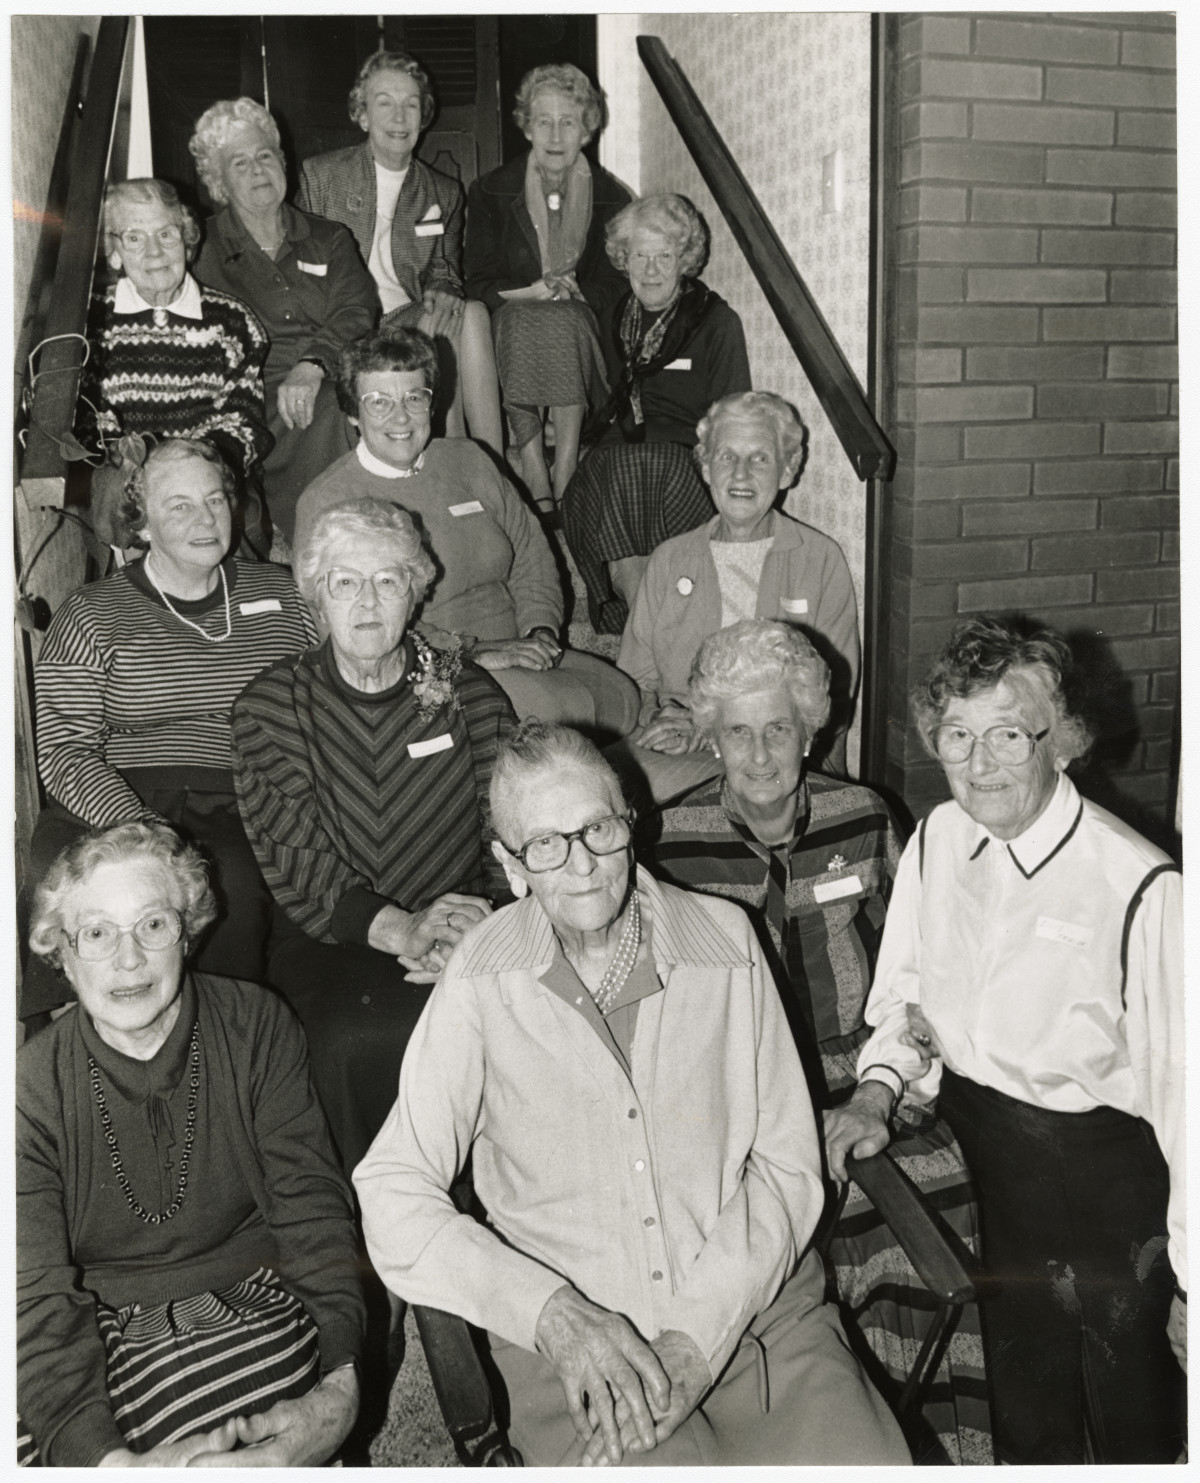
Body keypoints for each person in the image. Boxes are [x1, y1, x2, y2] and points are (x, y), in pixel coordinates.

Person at [354, 720, 909, 1467]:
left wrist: (692, 1340)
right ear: (511, 866)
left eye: (598, 829)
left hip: (753, 1317)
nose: (581, 864)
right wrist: (551, 1315)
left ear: (632, 824)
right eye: (546, 844)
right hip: (580, 1360)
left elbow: (785, 1163)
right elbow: (392, 1187)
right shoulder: (479, 980)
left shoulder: (726, 943)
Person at [825, 615, 1186, 1465]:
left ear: (1061, 742)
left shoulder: (1140, 887)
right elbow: (907, 1000)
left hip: (1103, 1189)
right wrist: (878, 1088)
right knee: (1018, 1412)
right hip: (978, 1155)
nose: (978, 764)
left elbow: (1190, 1107)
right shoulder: (941, 839)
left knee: (1125, 1420)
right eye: (958, 734)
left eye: (1008, 735)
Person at [646, 620, 989, 1463]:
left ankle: (940, 1446)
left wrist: (879, 1093)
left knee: (933, 1211)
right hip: (733, 1090)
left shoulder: (864, 817)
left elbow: (919, 983)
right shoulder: (669, 842)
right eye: (737, 731)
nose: (760, 755)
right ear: (711, 736)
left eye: (778, 729)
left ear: (811, 728)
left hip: (862, 1076)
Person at [17, 821, 364, 1467]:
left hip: (252, 1289)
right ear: (60, 952)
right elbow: (32, 1296)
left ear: (189, 928)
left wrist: (340, 1378)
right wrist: (109, 1464)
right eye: (96, 933)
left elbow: (312, 1207)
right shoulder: (29, 1089)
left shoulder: (255, 1023)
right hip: (98, 1317)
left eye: (152, 924)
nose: (129, 959)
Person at [231, 497, 515, 1171]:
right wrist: (404, 930)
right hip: (338, 937)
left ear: (415, 592)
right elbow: (301, 865)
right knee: (359, 1036)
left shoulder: (466, 692)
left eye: (387, 580)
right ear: (314, 597)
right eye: (344, 582)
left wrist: (488, 926)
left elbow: (509, 823)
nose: (366, 602)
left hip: (469, 924)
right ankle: (372, 1241)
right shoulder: (270, 708)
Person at [25, 437, 317, 1022]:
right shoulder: (93, 612)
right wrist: (143, 829)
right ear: (143, 522)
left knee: (234, 878)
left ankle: (223, 1047)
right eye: (179, 505)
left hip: (249, 793)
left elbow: (359, 662)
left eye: (215, 501)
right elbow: (62, 748)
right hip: (121, 791)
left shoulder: (284, 594)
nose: (205, 519)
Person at [294, 327, 639, 739]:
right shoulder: (329, 500)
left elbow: (531, 552)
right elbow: (352, 626)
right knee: (554, 716)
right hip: (428, 672)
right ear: (352, 413)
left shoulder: (469, 459)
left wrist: (539, 629)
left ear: (432, 402)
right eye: (379, 402)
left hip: (522, 648)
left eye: (414, 397)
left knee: (622, 697)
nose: (400, 416)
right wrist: (473, 652)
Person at [614, 390, 860, 804]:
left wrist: (711, 727)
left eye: (760, 458)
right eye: (727, 457)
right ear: (706, 468)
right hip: (677, 745)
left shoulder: (819, 559)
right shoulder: (670, 559)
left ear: (787, 471)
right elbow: (634, 679)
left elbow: (832, 699)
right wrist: (663, 718)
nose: (741, 474)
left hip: (775, 756)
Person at [191, 97, 377, 550]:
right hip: (252, 390)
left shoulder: (328, 237)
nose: (257, 170)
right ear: (219, 182)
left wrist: (313, 364)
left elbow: (357, 309)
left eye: (265, 155)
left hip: (328, 371)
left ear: (283, 162)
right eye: (240, 163)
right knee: (330, 408)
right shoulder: (201, 248)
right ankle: (331, 544)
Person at [298, 49, 503, 457]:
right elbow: (306, 271)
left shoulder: (442, 190)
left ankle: (488, 466)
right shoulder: (320, 176)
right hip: (346, 320)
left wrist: (445, 288)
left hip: (410, 316)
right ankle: (466, 462)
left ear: (423, 117)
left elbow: (444, 269)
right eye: (384, 104)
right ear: (362, 115)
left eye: (410, 105)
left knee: (472, 312)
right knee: (449, 328)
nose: (399, 118)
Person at [563, 194, 751, 633]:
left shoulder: (715, 322)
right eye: (639, 256)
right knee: (615, 465)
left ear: (685, 260)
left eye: (663, 256)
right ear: (623, 260)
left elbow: (733, 418)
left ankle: (647, 626)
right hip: (613, 465)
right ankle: (646, 620)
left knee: (646, 464)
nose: (650, 270)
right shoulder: (611, 317)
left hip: (683, 464)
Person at [465, 64, 631, 516]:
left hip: (583, 329)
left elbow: (621, 282)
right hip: (513, 320)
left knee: (566, 317)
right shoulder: (489, 192)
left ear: (587, 129)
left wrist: (581, 292)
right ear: (527, 126)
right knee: (525, 318)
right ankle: (536, 465)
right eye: (544, 121)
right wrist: (529, 291)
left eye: (568, 121)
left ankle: (567, 463)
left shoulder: (614, 199)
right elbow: (476, 281)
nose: (555, 134)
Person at [78, 178, 272, 548]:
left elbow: (246, 423)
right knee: (113, 491)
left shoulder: (231, 320)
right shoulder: (92, 323)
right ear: (113, 250)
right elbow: (89, 426)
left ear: (186, 238)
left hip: (209, 468)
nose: (155, 252)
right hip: (134, 482)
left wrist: (194, 465)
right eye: (134, 238)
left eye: (166, 234)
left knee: (228, 510)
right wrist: (143, 469)